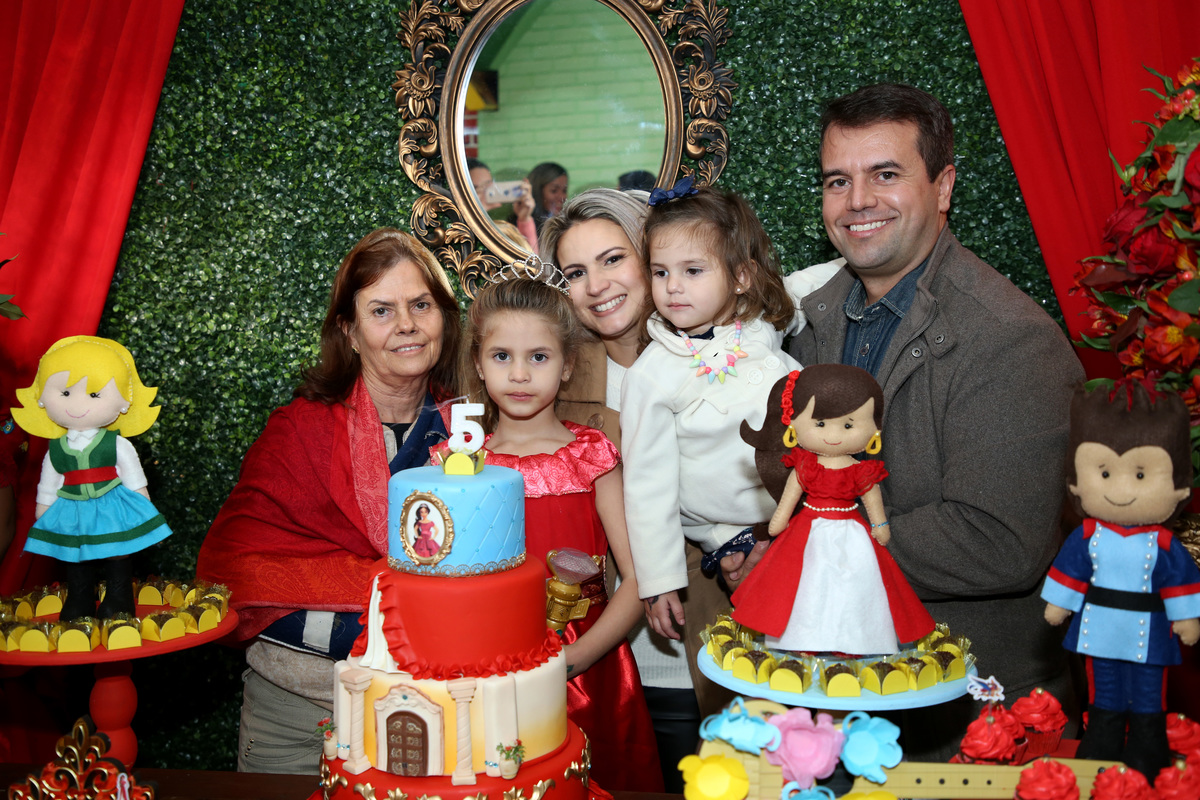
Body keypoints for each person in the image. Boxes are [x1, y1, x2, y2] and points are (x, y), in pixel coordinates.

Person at [776, 83, 1085, 757]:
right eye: (837, 180)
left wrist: (808, 548)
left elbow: (998, 540)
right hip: (837, 704)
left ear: (943, 187)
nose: (857, 200)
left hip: (968, 717)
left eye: (885, 174)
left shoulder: (1010, 338)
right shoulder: (810, 320)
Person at [195, 228, 461, 774]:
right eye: (382, 311)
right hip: (297, 720)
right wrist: (379, 589)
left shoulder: (476, 434)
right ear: (350, 331)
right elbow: (235, 568)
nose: (406, 324)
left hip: (437, 715)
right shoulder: (300, 430)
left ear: (444, 318)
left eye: (421, 305)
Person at [540, 187, 716, 791]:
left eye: (613, 259)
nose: (596, 286)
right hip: (600, 680)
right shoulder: (552, 384)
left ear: (650, 257)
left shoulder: (722, 360)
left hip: (707, 659)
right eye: (575, 273)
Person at [457, 276, 661, 791]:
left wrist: (577, 658)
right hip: (485, 667)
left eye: (539, 357)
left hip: (589, 668)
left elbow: (640, 579)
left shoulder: (593, 456)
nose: (519, 373)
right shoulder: (458, 466)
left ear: (567, 365)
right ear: (478, 363)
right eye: (501, 356)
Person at [618, 184, 838, 656]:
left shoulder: (759, 324)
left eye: (693, 270)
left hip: (806, 506)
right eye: (660, 271)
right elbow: (647, 488)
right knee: (775, 641)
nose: (673, 286)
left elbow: (806, 285)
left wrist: (853, 260)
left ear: (741, 277)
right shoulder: (652, 375)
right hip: (732, 531)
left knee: (831, 617)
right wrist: (659, 581)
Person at [1042, 383, 1200, 778]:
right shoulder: (1087, 537)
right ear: (1076, 480)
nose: (1122, 489)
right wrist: (1059, 604)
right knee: (1104, 689)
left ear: (1179, 486)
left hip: (1151, 630)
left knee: (1148, 692)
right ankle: (1101, 746)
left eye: (1141, 474)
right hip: (1099, 627)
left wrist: (1185, 617)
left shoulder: (1164, 544)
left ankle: (1148, 751)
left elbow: (1180, 580)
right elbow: (1070, 571)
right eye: (1105, 473)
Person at [731, 364, 933, 654]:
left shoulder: (861, 471)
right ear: (793, 423)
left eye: (849, 425)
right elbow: (789, 500)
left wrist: (880, 525)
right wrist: (779, 521)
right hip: (806, 531)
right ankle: (802, 639)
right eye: (821, 423)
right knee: (805, 584)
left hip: (852, 534)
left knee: (855, 585)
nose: (833, 435)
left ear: (875, 429)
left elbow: (872, 499)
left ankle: (854, 639)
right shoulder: (804, 467)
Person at [11, 336, 170, 620]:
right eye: (65, 393)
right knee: (75, 554)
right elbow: (48, 484)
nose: (78, 404)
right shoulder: (56, 449)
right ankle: (79, 600)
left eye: (94, 394)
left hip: (111, 505)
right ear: (42, 399)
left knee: (117, 552)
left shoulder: (117, 444)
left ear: (124, 403)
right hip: (72, 509)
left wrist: (143, 507)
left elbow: (134, 478)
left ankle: (119, 599)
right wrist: (43, 511)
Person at [467, 158, 537, 253]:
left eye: (488, 185)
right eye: (476, 188)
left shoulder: (503, 219)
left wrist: (524, 219)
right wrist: (477, 213)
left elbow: (532, 258)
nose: (486, 192)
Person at [520, 161, 568, 236]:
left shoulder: (566, 222)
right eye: (554, 190)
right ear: (538, 191)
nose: (562, 197)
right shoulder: (520, 222)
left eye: (564, 191)